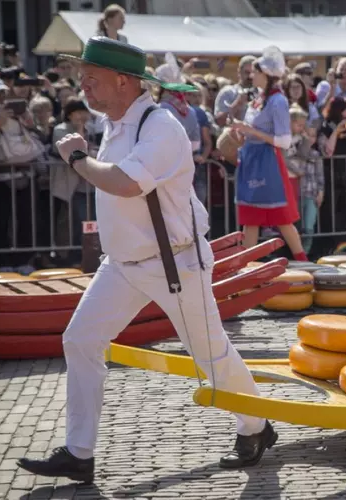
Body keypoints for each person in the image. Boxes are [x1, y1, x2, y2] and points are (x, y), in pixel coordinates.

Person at [16, 36, 277, 484]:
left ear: (123, 82)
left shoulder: (160, 126)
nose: (84, 87)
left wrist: (77, 156)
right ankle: (79, 453)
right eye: (82, 77)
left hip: (174, 262)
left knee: (209, 356)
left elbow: (123, 183)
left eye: (92, 79)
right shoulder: (118, 123)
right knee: (80, 339)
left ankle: (255, 426)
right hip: (122, 264)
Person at [229, 46, 306, 261]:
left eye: (256, 71)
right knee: (250, 219)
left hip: (268, 162)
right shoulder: (260, 99)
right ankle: (243, 268)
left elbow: (284, 140)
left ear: (266, 75)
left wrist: (251, 131)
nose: (252, 75)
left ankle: (303, 261)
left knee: (282, 218)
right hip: (252, 160)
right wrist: (241, 133)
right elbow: (255, 132)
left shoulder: (278, 101)